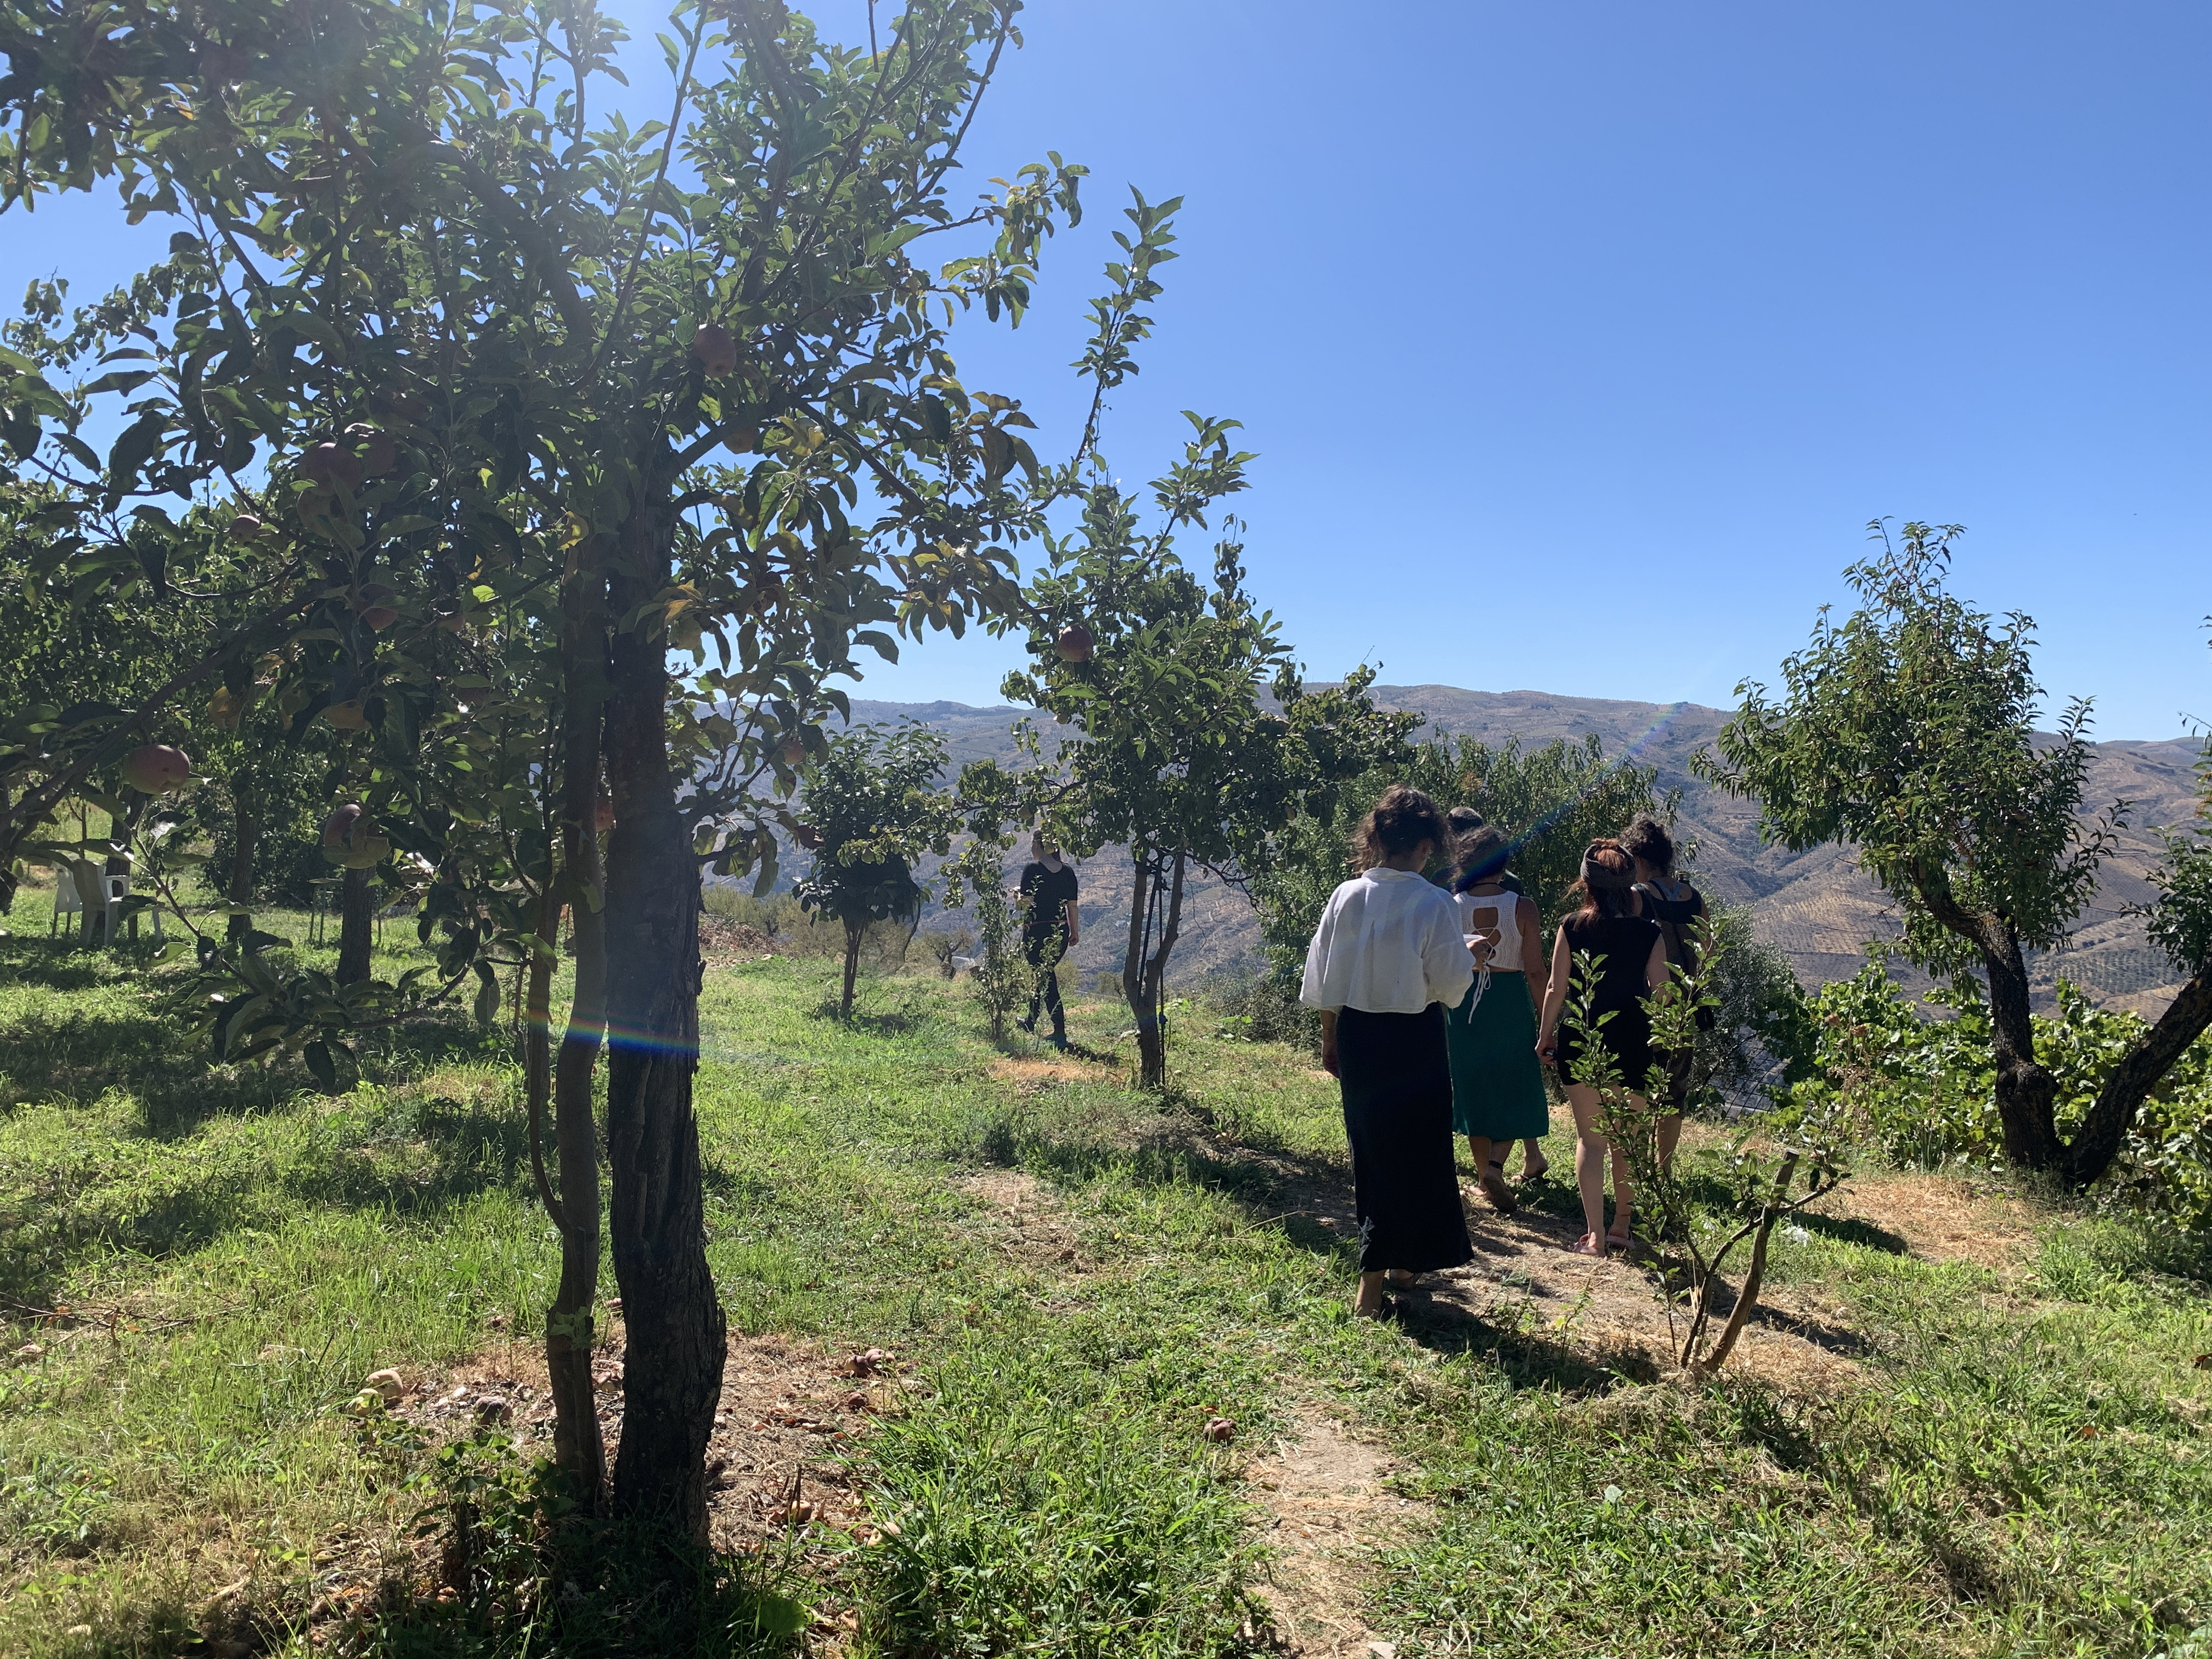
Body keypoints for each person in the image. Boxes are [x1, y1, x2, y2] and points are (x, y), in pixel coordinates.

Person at [1301, 785, 1476, 1317]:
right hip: (1414, 1038)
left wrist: (1331, 1039)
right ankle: (1384, 1277)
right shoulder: (1434, 903)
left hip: (1358, 1035)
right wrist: (1471, 956)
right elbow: (1449, 987)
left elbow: (1325, 979)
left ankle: (1389, 1272)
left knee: (1373, 1153)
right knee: (1419, 1151)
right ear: (1427, 843)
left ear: (1377, 839)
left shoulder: (1346, 896)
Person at [1534, 839, 1667, 1257]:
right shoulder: (1649, 933)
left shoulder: (1571, 926)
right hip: (1633, 1038)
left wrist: (1545, 1036)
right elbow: (1662, 992)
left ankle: (1593, 1237)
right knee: (1627, 1140)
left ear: (1587, 885)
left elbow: (1556, 987)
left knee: (1590, 1141)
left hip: (1583, 1035)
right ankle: (1621, 1229)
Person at [1444, 826, 1549, 1213]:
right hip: (1508, 1000)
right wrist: (1547, 1021)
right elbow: (1536, 971)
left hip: (1464, 1000)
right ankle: (1495, 1167)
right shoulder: (1523, 907)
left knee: (1475, 1088)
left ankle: (1484, 1178)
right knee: (1517, 1084)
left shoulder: (1451, 905)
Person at [1622, 812, 1708, 1164]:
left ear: (1639, 860)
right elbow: (1708, 947)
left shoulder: (1637, 896)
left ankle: (1638, 1163)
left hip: (1646, 1003)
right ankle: (1665, 1167)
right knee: (1675, 1090)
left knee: (1638, 1084)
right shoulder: (1694, 897)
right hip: (1685, 1005)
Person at [1014, 830, 1079, 1048]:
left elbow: (1025, 904)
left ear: (1039, 846)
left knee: (1045, 977)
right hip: (1060, 933)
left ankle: (1059, 1031)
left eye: (1033, 843)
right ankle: (1030, 1022)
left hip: (1036, 932)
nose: (1031, 847)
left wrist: (1017, 896)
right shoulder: (1068, 872)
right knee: (1042, 975)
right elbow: (1072, 906)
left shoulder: (1032, 869)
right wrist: (1074, 932)